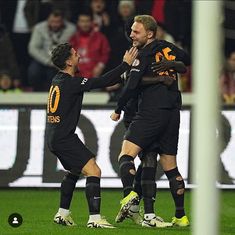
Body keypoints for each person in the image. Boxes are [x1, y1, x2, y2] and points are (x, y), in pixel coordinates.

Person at [46, 42, 138, 228]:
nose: (78, 55)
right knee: (94, 171)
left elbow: (102, 81)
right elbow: (101, 82)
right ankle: (95, 219)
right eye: (74, 54)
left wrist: (119, 79)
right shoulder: (71, 83)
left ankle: (62, 214)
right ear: (68, 62)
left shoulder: (58, 80)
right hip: (65, 138)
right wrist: (125, 65)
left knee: (74, 170)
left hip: (55, 136)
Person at [110, 15, 190, 227]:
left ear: (150, 33)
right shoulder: (167, 47)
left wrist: (117, 108)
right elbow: (186, 61)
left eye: (136, 32)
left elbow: (131, 84)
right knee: (169, 164)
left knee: (127, 154)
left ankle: (130, 197)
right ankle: (180, 216)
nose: (131, 35)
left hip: (149, 111)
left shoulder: (142, 54)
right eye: (132, 31)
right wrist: (172, 64)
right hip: (173, 112)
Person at [28, 9, 76, 91]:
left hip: (62, 60)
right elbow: (33, 48)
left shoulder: (71, 29)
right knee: (33, 72)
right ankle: (37, 92)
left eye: (58, 22)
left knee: (56, 75)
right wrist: (49, 61)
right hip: (43, 58)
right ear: (48, 20)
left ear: (63, 21)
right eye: (52, 21)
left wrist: (60, 61)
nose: (55, 25)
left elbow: (72, 47)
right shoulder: (39, 28)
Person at [69, 10, 110, 78]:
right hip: (77, 78)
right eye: (82, 21)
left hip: (95, 78)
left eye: (87, 21)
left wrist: (100, 66)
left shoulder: (100, 37)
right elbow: (68, 56)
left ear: (92, 22)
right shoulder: (73, 39)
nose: (84, 24)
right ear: (78, 23)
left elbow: (106, 53)